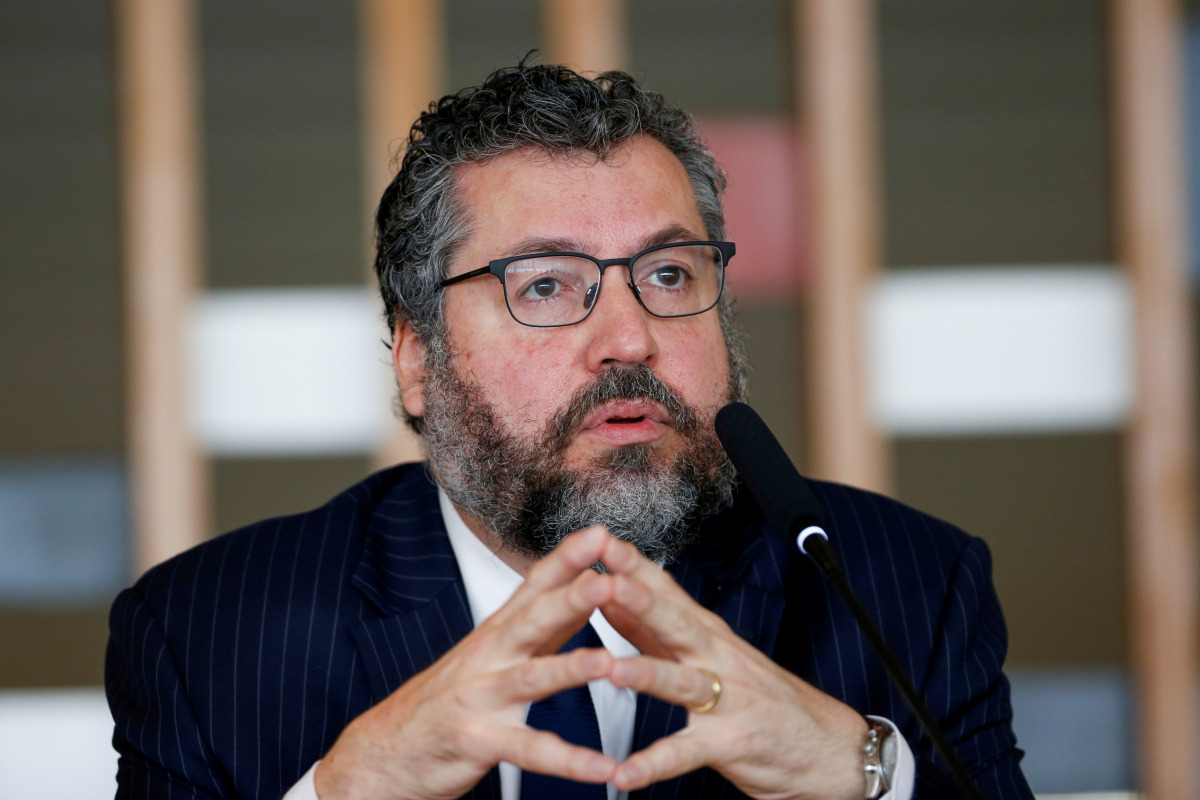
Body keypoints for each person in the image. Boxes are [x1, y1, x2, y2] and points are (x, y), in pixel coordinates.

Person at [106, 62, 1033, 800]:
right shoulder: (208, 631)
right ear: (417, 358)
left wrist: (870, 777)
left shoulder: (904, 587)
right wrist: (344, 792)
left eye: (669, 275)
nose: (630, 337)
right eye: (545, 284)